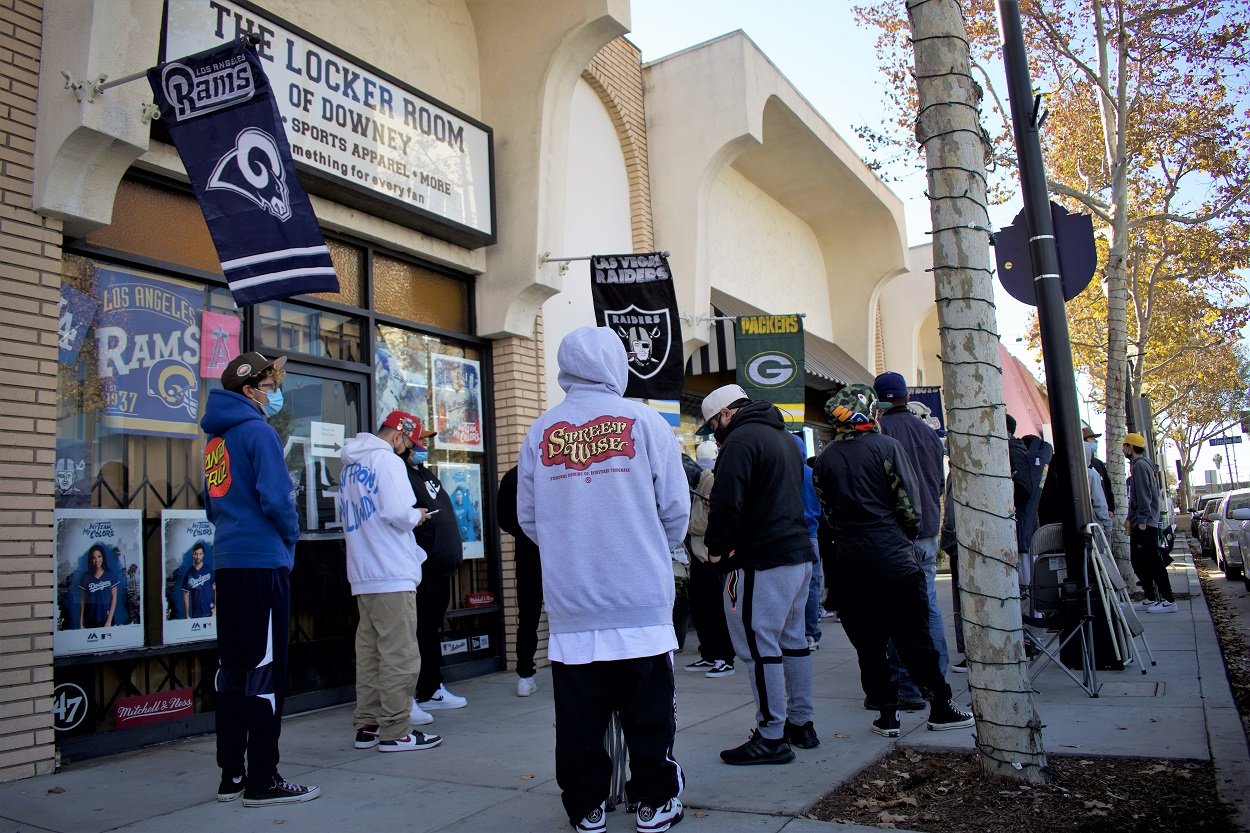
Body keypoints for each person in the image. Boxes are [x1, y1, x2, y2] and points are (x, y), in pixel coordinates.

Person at [518, 326, 687, 833]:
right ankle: (655, 801)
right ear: (616, 363)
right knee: (649, 713)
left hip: (573, 604)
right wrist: (650, 543)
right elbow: (675, 509)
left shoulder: (540, 430)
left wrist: (572, 547)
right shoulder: (646, 422)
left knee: (579, 718)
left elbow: (529, 518)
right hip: (639, 597)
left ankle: (586, 807)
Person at [812, 384, 974, 739]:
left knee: (869, 645)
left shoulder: (824, 459)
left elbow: (830, 514)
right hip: (892, 558)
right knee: (914, 637)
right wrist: (904, 535)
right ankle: (940, 708)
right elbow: (909, 507)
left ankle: (887, 715)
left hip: (850, 563)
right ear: (867, 412)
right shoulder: (886, 447)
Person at [201, 351, 319, 806]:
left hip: (229, 562)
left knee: (232, 670)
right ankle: (263, 779)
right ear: (250, 391)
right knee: (264, 670)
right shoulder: (259, 432)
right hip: (262, 563)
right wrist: (289, 541)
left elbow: (214, 506)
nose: (276, 392)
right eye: (271, 384)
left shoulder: (215, 442)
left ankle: (232, 773)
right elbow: (278, 500)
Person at [701, 383, 818, 764]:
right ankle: (800, 724)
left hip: (762, 558)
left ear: (725, 414)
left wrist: (715, 551)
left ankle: (771, 735)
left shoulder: (740, 441)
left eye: (713, 424)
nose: (714, 433)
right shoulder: (782, 436)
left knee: (757, 645)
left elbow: (726, 501)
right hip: (796, 553)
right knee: (793, 640)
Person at [340, 410, 442, 753]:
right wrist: (419, 514)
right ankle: (397, 730)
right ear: (397, 436)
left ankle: (367, 724)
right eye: (409, 442)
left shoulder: (351, 465)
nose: (408, 450)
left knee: (369, 653)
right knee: (400, 654)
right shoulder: (388, 462)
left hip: (363, 571)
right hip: (391, 571)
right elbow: (398, 514)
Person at [873, 371, 949, 709]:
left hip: (898, 533)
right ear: (905, 396)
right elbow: (940, 484)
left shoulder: (881, 433)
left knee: (897, 611)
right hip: (929, 528)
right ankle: (937, 675)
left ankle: (909, 684)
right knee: (927, 603)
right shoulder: (928, 433)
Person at [405, 428, 469, 715]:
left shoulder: (424, 473)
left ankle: (433, 686)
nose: (424, 446)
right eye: (419, 441)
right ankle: (423, 690)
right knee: (419, 632)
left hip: (442, 568)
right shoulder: (399, 473)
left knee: (430, 630)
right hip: (423, 569)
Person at [683, 440, 736, 678]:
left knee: (714, 607)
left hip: (709, 552)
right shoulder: (702, 478)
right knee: (701, 605)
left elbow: (715, 518)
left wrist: (690, 527)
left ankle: (723, 656)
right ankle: (710, 653)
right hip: (700, 552)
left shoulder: (710, 480)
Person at [498, 464, 543, 697]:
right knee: (568, 610)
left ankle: (525, 675)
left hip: (527, 550)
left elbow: (503, 519)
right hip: (561, 549)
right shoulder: (559, 469)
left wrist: (525, 532)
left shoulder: (513, 476)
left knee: (528, 615)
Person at [1124, 432, 1176, 613]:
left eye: (1125, 446)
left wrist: (1142, 520)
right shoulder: (1144, 465)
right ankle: (1151, 597)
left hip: (1145, 522)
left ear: (1131, 447)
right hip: (1143, 520)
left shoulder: (1139, 466)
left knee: (1151, 560)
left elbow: (1144, 494)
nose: (1123, 449)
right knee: (1141, 560)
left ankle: (1168, 599)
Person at [793, 433, 824, 652]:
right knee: (811, 587)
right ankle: (810, 633)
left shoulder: (785, 474)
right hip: (811, 535)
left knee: (791, 589)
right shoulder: (811, 474)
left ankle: (793, 632)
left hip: (790, 536)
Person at [78, 544, 117, 629]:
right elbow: (82, 600)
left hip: (106, 620)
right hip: (90, 620)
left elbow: (114, 598)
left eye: (99, 556)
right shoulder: (86, 577)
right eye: (93, 558)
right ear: (90, 559)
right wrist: (81, 622)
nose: (97, 560)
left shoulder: (110, 574)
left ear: (103, 557)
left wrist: (109, 621)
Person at [1084, 425, 1115, 515]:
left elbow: (1107, 487)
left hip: (1104, 514)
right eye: (1092, 439)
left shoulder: (1099, 464)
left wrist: (1111, 508)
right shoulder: (1079, 466)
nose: (1095, 442)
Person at [181, 542, 215, 620]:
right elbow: (186, 594)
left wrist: (216, 609)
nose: (198, 556)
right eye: (196, 554)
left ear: (203, 554)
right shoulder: (188, 573)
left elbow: (215, 589)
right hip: (196, 613)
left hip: (210, 611)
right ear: (192, 555)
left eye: (200, 554)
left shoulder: (209, 569)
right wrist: (187, 615)